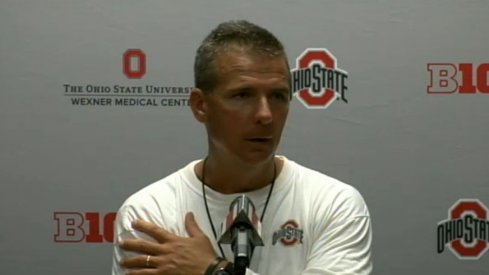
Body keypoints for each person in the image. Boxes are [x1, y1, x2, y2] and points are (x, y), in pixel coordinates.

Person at [112, 20, 372, 275]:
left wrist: (213, 269)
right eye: (243, 95)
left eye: (278, 96)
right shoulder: (149, 212)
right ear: (200, 105)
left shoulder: (334, 204)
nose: (265, 115)